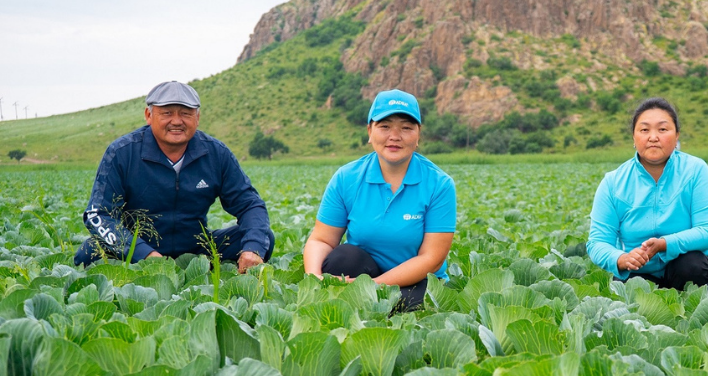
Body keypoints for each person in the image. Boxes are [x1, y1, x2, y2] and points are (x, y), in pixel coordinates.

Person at [75, 81, 273, 273]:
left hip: (196, 249)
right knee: (89, 253)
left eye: (186, 114)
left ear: (197, 117)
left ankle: (200, 270)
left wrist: (252, 248)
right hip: (137, 250)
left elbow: (250, 204)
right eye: (167, 113)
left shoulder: (216, 153)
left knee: (261, 240)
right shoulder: (122, 153)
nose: (177, 121)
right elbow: (98, 215)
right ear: (149, 115)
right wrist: (144, 254)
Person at [303, 89, 456, 311]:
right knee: (343, 259)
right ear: (369, 131)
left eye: (406, 127)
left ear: (418, 134)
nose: (395, 136)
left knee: (404, 304)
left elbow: (431, 258)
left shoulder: (439, 184)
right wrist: (314, 278)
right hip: (365, 272)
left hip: (416, 282)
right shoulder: (347, 178)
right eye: (384, 126)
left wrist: (372, 287)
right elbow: (321, 240)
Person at [587, 97, 708, 292]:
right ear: (633, 138)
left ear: (677, 137)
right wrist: (622, 259)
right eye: (644, 130)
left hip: (687, 268)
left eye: (663, 129)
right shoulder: (613, 182)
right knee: (629, 292)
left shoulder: (695, 170)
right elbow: (598, 242)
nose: (653, 137)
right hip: (639, 271)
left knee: (691, 266)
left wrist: (665, 244)